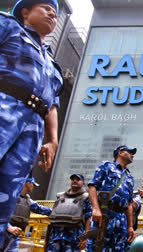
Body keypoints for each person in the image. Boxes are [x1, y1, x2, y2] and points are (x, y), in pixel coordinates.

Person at [0, 0, 63, 246]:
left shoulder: (52, 64)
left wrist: (53, 140)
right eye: (45, 8)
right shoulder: (8, 27)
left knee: (7, 195)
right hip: (5, 105)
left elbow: (53, 104)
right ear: (25, 12)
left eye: (55, 13)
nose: (51, 13)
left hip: (33, 125)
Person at [85, 145, 137, 251]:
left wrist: (130, 226)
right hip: (105, 214)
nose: (132, 155)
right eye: (130, 152)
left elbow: (129, 203)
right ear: (120, 153)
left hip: (121, 219)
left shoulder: (129, 177)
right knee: (98, 245)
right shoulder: (106, 166)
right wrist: (95, 208)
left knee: (119, 248)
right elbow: (92, 186)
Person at [0, 177, 52, 251]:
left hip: (15, 234)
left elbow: (40, 209)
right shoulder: (9, 196)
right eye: (33, 184)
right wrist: (8, 227)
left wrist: (57, 211)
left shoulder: (27, 200)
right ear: (28, 184)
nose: (33, 187)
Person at [46, 174, 92, 252]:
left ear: (83, 183)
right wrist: (47, 240)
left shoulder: (86, 198)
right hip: (55, 237)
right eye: (73, 179)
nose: (75, 181)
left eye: (78, 179)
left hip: (74, 238)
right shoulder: (60, 196)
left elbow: (89, 218)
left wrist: (85, 237)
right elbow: (54, 216)